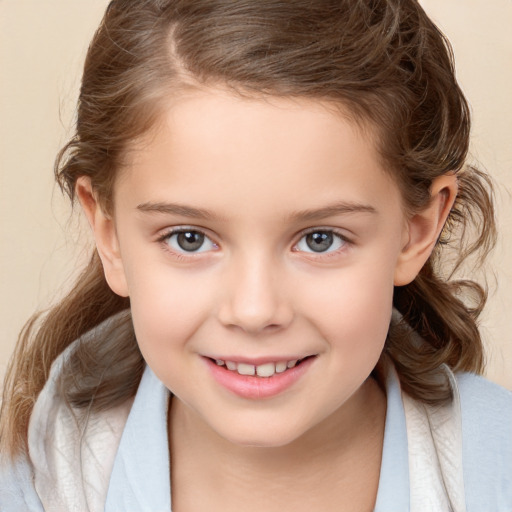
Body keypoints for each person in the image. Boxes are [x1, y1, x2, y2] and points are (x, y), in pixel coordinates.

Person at [1, 0, 511, 510]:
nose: (254, 310)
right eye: (189, 239)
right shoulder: (34, 488)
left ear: (414, 230)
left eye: (320, 239)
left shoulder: (496, 470)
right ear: (109, 233)